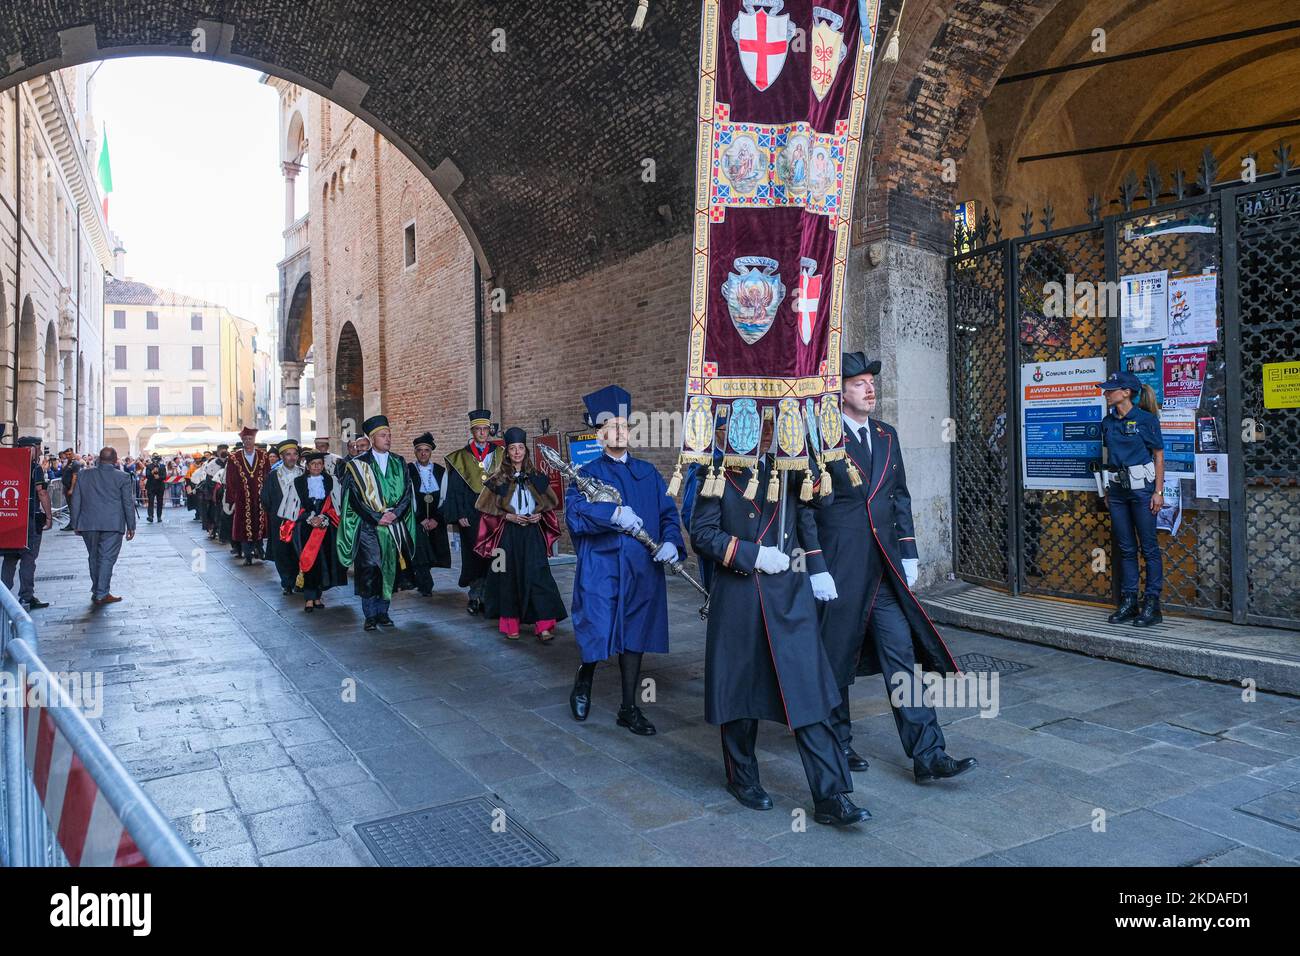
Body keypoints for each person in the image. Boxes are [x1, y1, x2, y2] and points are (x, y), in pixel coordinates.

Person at [689, 427, 870, 826]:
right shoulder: (718, 471)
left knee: (810, 690)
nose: (766, 429)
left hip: (788, 593)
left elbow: (815, 509)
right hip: (740, 596)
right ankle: (743, 778)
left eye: (773, 420)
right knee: (740, 693)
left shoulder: (791, 466)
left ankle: (831, 796)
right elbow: (702, 534)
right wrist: (751, 555)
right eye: (757, 419)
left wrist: (819, 456)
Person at [816, 351, 976, 784]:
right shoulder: (822, 439)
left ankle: (928, 752)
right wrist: (814, 566)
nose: (869, 389)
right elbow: (806, 508)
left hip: (885, 570)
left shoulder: (887, 435)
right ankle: (836, 742)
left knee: (901, 657)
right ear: (839, 392)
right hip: (840, 568)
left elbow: (899, 497)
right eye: (858, 383)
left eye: (871, 381)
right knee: (836, 658)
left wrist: (908, 553)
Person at [564, 386, 683, 735]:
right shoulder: (585, 474)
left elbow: (667, 515)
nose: (618, 432)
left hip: (641, 569)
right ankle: (584, 678)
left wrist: (672, 544)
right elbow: (575, 517)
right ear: (600, 435)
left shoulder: (647, 473)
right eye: (610, 427)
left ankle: (629, 708)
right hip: (601, 568)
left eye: (623, 425)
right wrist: (611, 515)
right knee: (597, 628)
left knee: (635, 635)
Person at [474, 427, 567, 642]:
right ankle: (511, 624)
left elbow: (549, 504)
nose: (517, 452)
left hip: (532, 533)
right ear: (507, 452)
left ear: (525, 451)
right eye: (513, 449)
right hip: (508, 535)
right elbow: (483, 507)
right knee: (508, 576)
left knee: (539, 576)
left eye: (520, 448)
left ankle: (543, 624)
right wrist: (507, 517)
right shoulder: (497, 479)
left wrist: (538, 516)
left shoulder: (536, 476)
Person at [1099, 369, 1166, 627]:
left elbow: (1158, 455)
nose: (1105, 393)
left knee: (1148, 548)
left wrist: (1158, 492)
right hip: (1117, 492)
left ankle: (1152, 603)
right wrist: (1106, 489)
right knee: (1126, 548)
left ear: (1125, 392)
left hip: (1142, 491)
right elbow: (1107, 459)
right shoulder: (1108, 422)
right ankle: (1129, 601)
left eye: (1110, 389)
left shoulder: (1146, 420)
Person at [337, 415, 416, 631]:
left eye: (389, 435)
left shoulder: (399, 462)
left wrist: (395, 514)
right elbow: (354, 498)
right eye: (383, 435)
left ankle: (383, 612)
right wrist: (376, 517)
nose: (388, 439)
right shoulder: (358, 465)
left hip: (393, 525)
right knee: (370, 569)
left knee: (390, 567)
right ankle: (369, 614)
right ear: (372, 439)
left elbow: (407, 492)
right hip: (369, 528)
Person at [442, 409, 503, 615]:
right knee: (474, 555)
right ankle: (475, 597)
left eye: (485, 429)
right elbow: (455, 489)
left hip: (496, 514)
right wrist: (459, 514)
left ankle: (493, 596)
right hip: (471, 514)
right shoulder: (461, 457)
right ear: (472, 431)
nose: (482, 433)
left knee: (496, 555)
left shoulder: (500, 454)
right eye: (478, 429)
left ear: (489, 431)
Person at [69, 447, 137, 605]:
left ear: (99, 458)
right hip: (112, 523)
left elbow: (76, 499)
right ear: (115, 460)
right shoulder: (123, 477)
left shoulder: (83, 474)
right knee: (106, 558)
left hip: (88, 522)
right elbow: (128, 502)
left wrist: (75, 522)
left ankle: (97, 589)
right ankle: (102, 592)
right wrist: (131, 526)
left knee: (93, 557)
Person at [1, 436, 52, 610]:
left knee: (10, 557)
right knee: (28, 558)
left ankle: (3, 596)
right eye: (39, 447)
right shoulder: (34, 468)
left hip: (10, 517)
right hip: (29, 518)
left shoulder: (6, 464)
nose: (40, 451)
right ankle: (26, 596)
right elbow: (42, 492)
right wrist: (49, 516)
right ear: (32, 448)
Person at [292, 451, 346, 611]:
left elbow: (336, 506)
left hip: (325, 527)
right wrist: (310, 518)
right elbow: (293, 508)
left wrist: (323, 518)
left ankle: (318, 596)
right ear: (307, 466)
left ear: (323, 466)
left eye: (319, 464)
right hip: (305, 528)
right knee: (309, 562)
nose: (316, 466)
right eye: (313, 464)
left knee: (323, 562)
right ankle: (309, 598)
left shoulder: (331, 481)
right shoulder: (298, 482)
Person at [401, 432, 451, 596]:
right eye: (420, 450)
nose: (423, 453)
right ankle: (425, 583)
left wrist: (437, 519)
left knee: (433, 550)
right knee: (420, 550)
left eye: (426, 450)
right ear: (415, 452)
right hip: (416, 519)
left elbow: (446, 496)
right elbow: (405, 496)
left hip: (436, 519)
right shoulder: (407, 470)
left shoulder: (440, 471)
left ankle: (422, 579)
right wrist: (421, 518)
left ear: (431, 452)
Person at [260, 439, 305, 595]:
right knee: (282, 552)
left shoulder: (303, 473)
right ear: (281, 457)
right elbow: (265, 497)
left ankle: (300, 580)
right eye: (288, 455)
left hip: (300, 520)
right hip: (279, 521)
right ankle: (287, 582)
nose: (292, 457)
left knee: (299, 550)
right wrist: (275, 513)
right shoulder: (273, 476)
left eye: (294, 454)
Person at [225, 426, 270, 565]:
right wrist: (231, 499)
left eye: (250, 438)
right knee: (244, 526)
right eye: (245, 439)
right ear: (242, 440)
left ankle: (260, 549)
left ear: (254, 440)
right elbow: (230, 479)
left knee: (260, 523)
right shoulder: (234, 457)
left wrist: (268, 495)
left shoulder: (263, 456)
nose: (248, 441)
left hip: (259, 496)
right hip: (242, 497)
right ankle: (247, 554)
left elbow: (268, 475)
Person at [144, 454, 167, 523]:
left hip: (160, 486)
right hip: (151, 486)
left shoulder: (163, 466)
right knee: (151, 501)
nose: (156, 461)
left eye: (157, 459)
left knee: (160, 502)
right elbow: (147, 475)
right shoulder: (149, 466)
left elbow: (164, 476)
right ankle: (150, 516)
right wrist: (152, 472)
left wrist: (159, 477)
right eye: (154, 459)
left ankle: (159, 517)